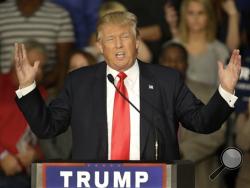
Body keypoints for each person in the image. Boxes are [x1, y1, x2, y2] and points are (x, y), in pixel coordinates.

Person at [14, 11, 241, 161]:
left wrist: (225, 91)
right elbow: (48, 128)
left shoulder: (166, 80)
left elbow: (202, 122)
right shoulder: (79, 81)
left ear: (137, 42)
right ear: (100, 46)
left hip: (153, 181)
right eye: (110, 39)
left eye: (125, 37)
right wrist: (27, 87)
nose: (119, 45)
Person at [159, 41, 227, 188]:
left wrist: (180, 152)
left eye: (178, 60)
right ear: (160, 63)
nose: (173, 64)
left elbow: (218, 133)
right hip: (159, 177)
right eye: (168, 60)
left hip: (199, 176)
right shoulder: (146, 95)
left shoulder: (208, 93)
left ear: (186, 64)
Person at [0, 40, 46, 188]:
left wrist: (36, 154)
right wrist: (2, 156)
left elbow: (49, 137)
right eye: (32, 64)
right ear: (17, 61)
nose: (37, 71)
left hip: (25, 172)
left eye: (41, 66)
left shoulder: (43, 95)